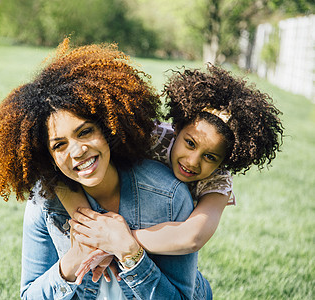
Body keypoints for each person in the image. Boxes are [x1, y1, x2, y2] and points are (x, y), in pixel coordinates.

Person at [0, 38, 211, 299]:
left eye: (85, 132)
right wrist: (74, 259)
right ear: (49, 157)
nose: (77, 151)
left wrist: (129, 253)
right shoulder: (44, 203)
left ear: (108, 127)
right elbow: (29, 295)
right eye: (59, 145)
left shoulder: (169, 196)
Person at [61, 65, 284, 284]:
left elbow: (193, 237)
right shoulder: (153, 137)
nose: (192, 161)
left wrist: (118, 241)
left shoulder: (219, 181)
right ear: (177, 126)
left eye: (210, 157)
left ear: (225, 161)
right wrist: (93, 230)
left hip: (165, 258)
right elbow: (74, 170)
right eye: (190, 143)